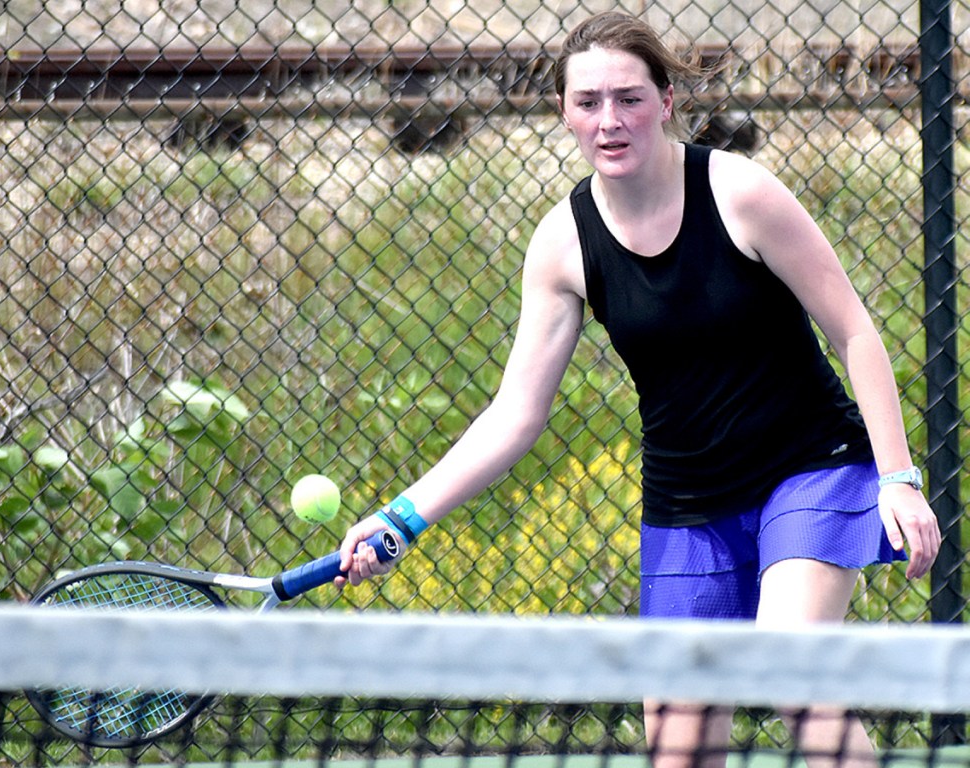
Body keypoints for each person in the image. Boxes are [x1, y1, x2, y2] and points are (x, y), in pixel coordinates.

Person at [335, 11, 941, 768]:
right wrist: (400, 519)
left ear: (667, 102)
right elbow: (516, 414)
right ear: (563, 111)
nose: (609, 120)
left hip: (808, 465)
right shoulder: (561, 243)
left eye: (628, 98)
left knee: (795, 669)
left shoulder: (739, 193)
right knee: (678, 750)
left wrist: (899, 477)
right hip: (688, 503)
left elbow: (854, 330)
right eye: (588, 101)